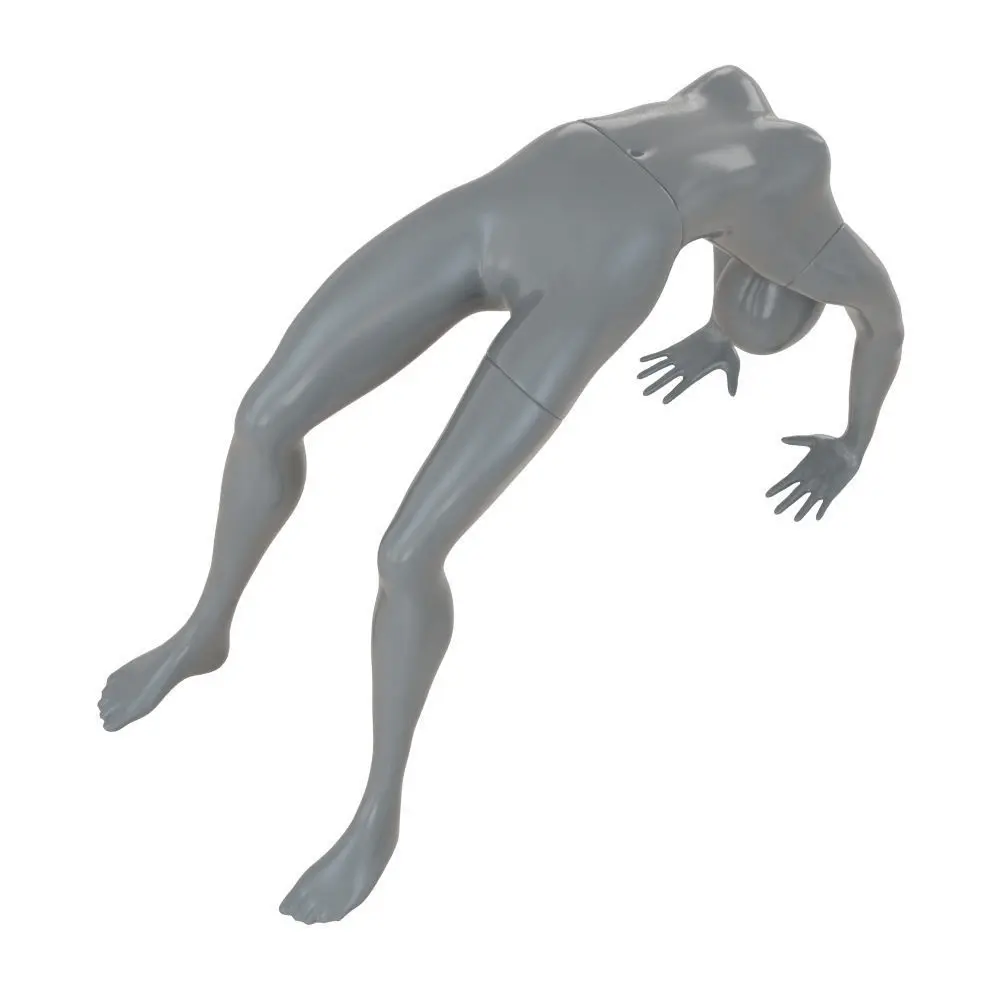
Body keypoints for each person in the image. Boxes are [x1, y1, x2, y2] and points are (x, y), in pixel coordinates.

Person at [98, 65, 903, 922]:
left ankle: (376, 815)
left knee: (407, 551)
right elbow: (882, 320)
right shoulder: (795, 211)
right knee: (264, 417)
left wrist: (820, 419)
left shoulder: (732, 92)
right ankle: (205, 631)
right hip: (509, 211)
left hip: (559, 236)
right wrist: (842, 433)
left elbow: (810, 280)